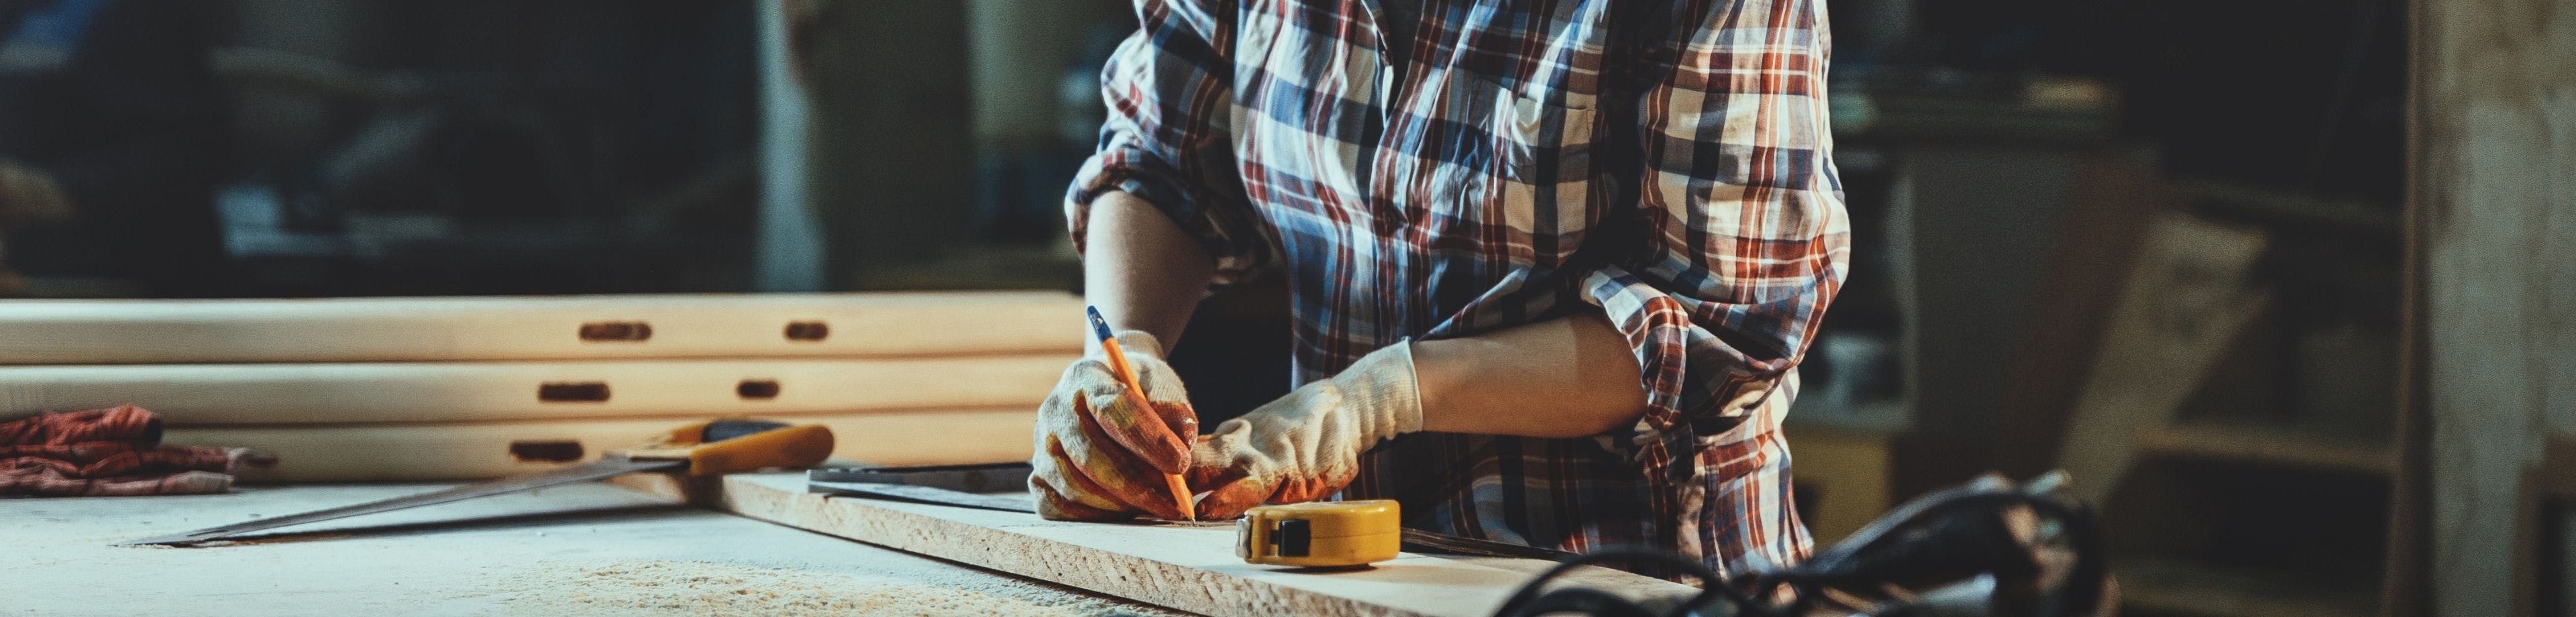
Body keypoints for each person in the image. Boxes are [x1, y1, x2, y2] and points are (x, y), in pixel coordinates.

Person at [1030, 0, 1847, 577]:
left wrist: (1378, 396)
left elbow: (1722, 327)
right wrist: (1125, 352)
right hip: (1350, 577)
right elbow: (1160, 158)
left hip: (1616, 574)